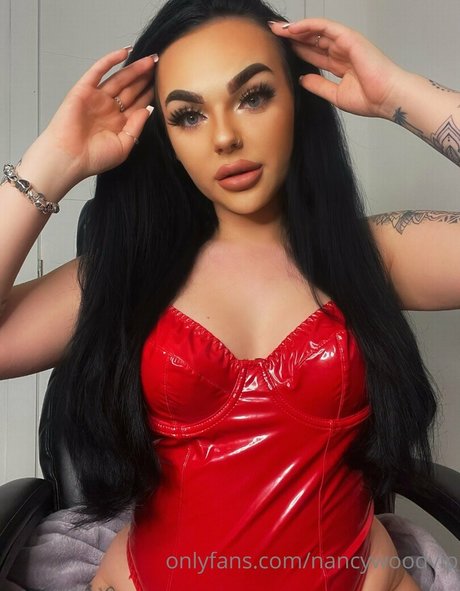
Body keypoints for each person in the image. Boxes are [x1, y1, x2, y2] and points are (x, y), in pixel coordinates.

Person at [0, 0, 458, 589]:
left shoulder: (374, 253)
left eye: (254, 96)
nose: (224, 137)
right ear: (164, 137)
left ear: (299, 100)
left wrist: (400, 94)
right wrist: (53, 161)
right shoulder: (122, 274)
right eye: (188, 115)